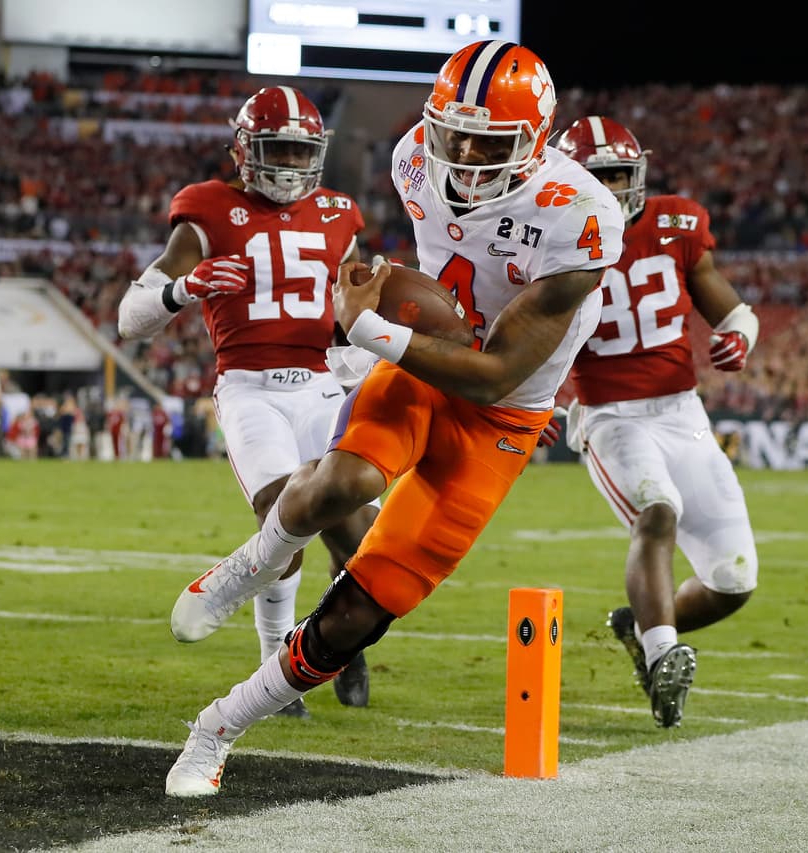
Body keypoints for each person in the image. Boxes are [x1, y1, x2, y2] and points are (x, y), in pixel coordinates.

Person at [162, 40, 624, 796]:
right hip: (425, 360)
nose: (465, 154)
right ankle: (251, 564)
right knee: (342, 481)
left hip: (501, 411)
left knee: (359, 612)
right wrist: (389, 306)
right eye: (454, 132)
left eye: (489, 141)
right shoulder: (414, 157)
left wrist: (370, 328)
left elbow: (499, 373)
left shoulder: (581, 218)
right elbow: (433, 289)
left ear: (536, 139)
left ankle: (217, 727)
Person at [118, 85, 380, 716]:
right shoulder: (206, 209)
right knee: (278, 513)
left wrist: (370, 353)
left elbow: (356, 313)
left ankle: (338, 636)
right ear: (245, 150)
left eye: (298, 152)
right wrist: (183, 288)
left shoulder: (340, 215)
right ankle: (276, 660)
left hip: (322, 385)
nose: (289, 166)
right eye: (278, 150)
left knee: (362, 538)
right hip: (249, 387)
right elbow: (131, 318)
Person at [554, 115, 760, 728]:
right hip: (611, 416)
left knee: (733, 579)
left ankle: (640, 622)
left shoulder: (676, 222)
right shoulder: (554, 238)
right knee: (658, 511)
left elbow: (729, 306)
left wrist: (740, 338)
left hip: (682, 413)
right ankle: (663, 651)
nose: (615, 188)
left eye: (623, 173)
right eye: (601, 176)